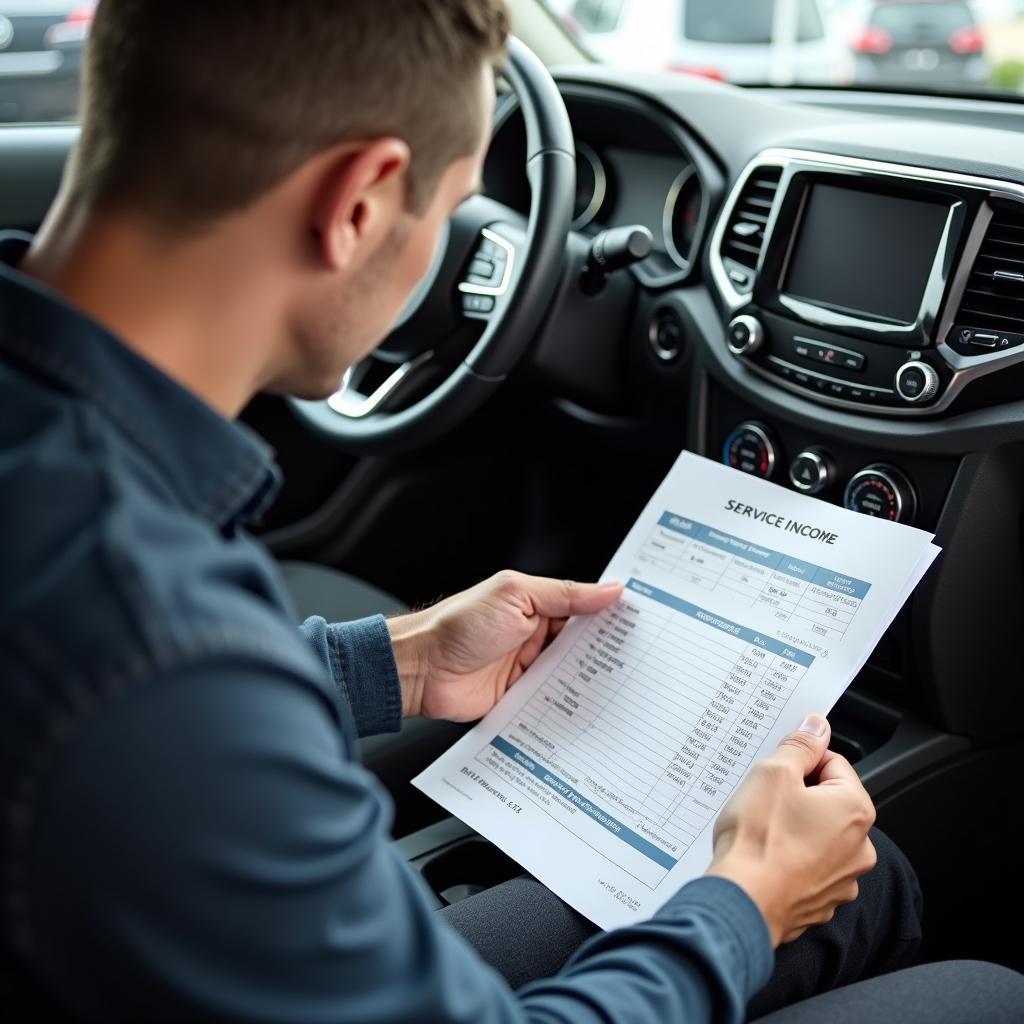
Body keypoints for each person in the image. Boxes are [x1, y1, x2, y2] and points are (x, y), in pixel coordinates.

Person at [0, 2, 1020, 1021]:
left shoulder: (78, 507)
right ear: (356, 202)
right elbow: (152, 689)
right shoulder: (156, 634)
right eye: (446, 210)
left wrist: (394, 661)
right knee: (977, 988)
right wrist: (741, 904)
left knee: (861, 882)